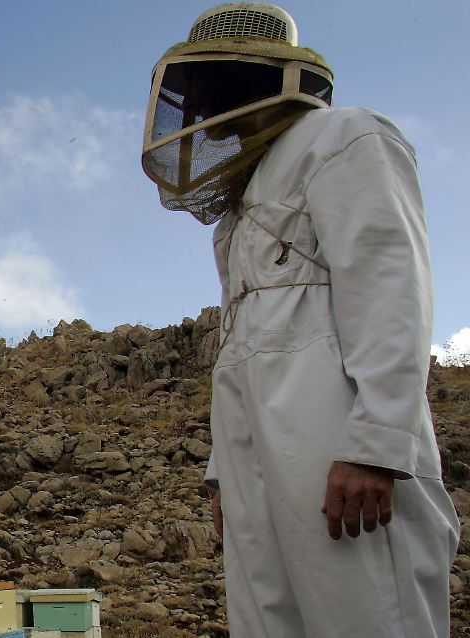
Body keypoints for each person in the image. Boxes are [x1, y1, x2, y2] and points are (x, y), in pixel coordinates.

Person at [140, 4, 458, 637]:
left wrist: (376, 444)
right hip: (256, 452)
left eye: (202, 85)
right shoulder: (238, 210)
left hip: (336, 434)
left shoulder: (346, 136)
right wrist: (225, 474)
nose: (195, 105)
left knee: (368, 616)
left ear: (243, 72)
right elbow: (242, 349)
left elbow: (390, 286)